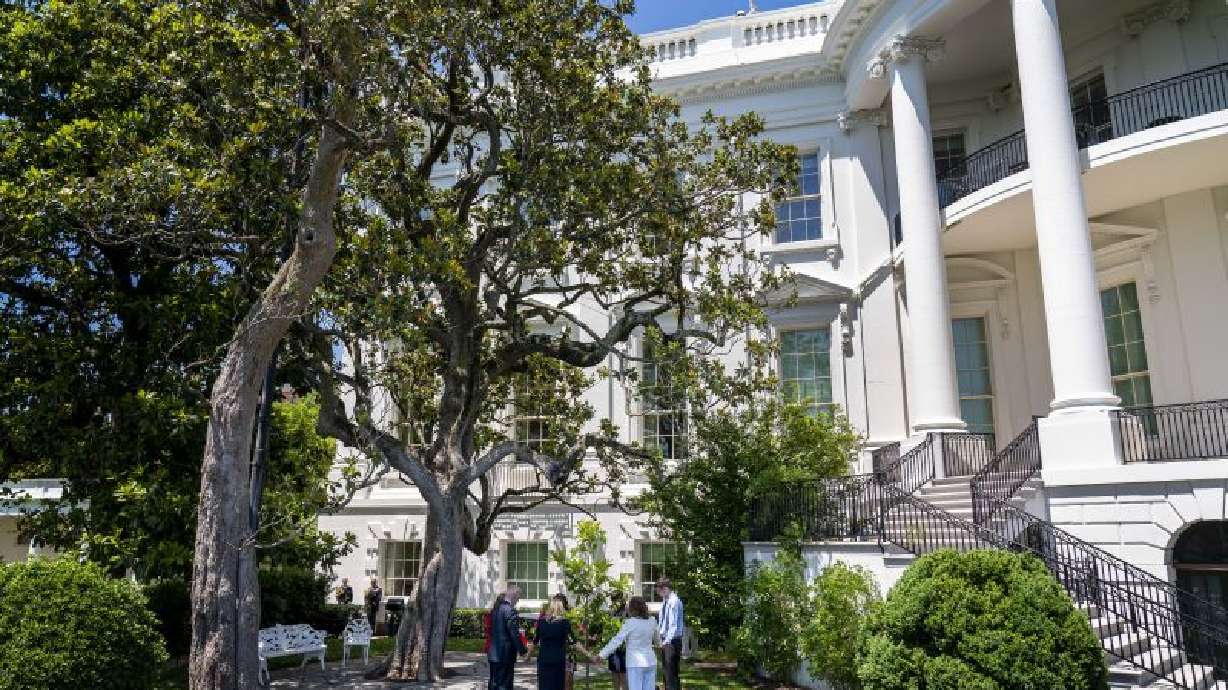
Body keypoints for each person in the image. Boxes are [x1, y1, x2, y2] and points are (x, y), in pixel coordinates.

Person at [594, 596, 661, 690]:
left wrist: (601, 655)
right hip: (651, 662)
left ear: (632, 609)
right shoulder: (652, 621)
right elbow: (658, 641)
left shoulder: (630, 623)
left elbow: (616, 641)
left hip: (635, 663)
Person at [533, 598, 591, 690]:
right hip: (557, 660)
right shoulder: (564, 623)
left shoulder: (541, 623)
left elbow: (535, 641)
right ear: (561, 609)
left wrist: (527, 655)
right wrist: (589, 654)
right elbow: (573, 642)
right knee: (557, 686)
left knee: (544, 685)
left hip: (543, 660)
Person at [487, 584, 530, 690]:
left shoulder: (496, 609)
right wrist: (523, 650)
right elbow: (514, 634)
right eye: (518, 598)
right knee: (504, 685)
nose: (518, 601)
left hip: (494, 653)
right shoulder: (510, 610)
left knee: (494, 683)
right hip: (505, 655)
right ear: (515, 595)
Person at [656, 577, 684, 690]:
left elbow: (673, 625)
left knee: (670, 674)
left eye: (658, 590)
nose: (658, 593)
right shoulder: (666, 600)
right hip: (668, 640)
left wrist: (666, 642)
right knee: (669, 673)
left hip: (671, 641)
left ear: (665, 588)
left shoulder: (673, 602)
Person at [605, 591, 629, 690]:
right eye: (613, 600)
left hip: (624, 647)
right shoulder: (611, 611)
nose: (614, 602)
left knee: (623, 673)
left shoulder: (627, 610)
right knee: (614, 673)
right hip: (613, 646)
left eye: (616, 600)